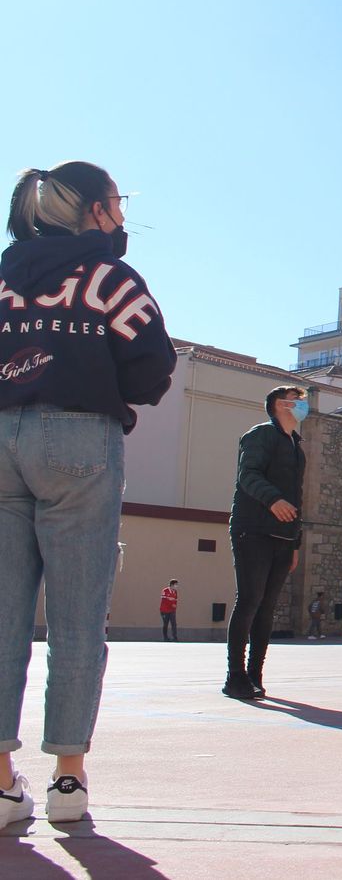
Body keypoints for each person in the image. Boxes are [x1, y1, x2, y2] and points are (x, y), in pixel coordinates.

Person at [0, 161, 175, 825]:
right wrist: (97, 380)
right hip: (78, 437)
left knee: (2, 618)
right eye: (118, 202)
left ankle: (0, 785)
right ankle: (67, 780)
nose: (123, 215)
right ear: (95, 211)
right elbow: (153, 364)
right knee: (76, 621)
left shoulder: (3, 274)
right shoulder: (108, 278)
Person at [225, 386, 310, 700]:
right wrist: (272, 499)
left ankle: (254, 675)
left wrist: (296, 542)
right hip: (253, 531)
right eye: (297, 401)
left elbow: (297, 499)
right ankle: (235, 677)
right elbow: (248, 475)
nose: (302, 406)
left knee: (267, 607)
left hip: (284, 538)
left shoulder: (297, 447)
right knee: (249, 600)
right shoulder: (259, 435)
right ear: (279, 404)